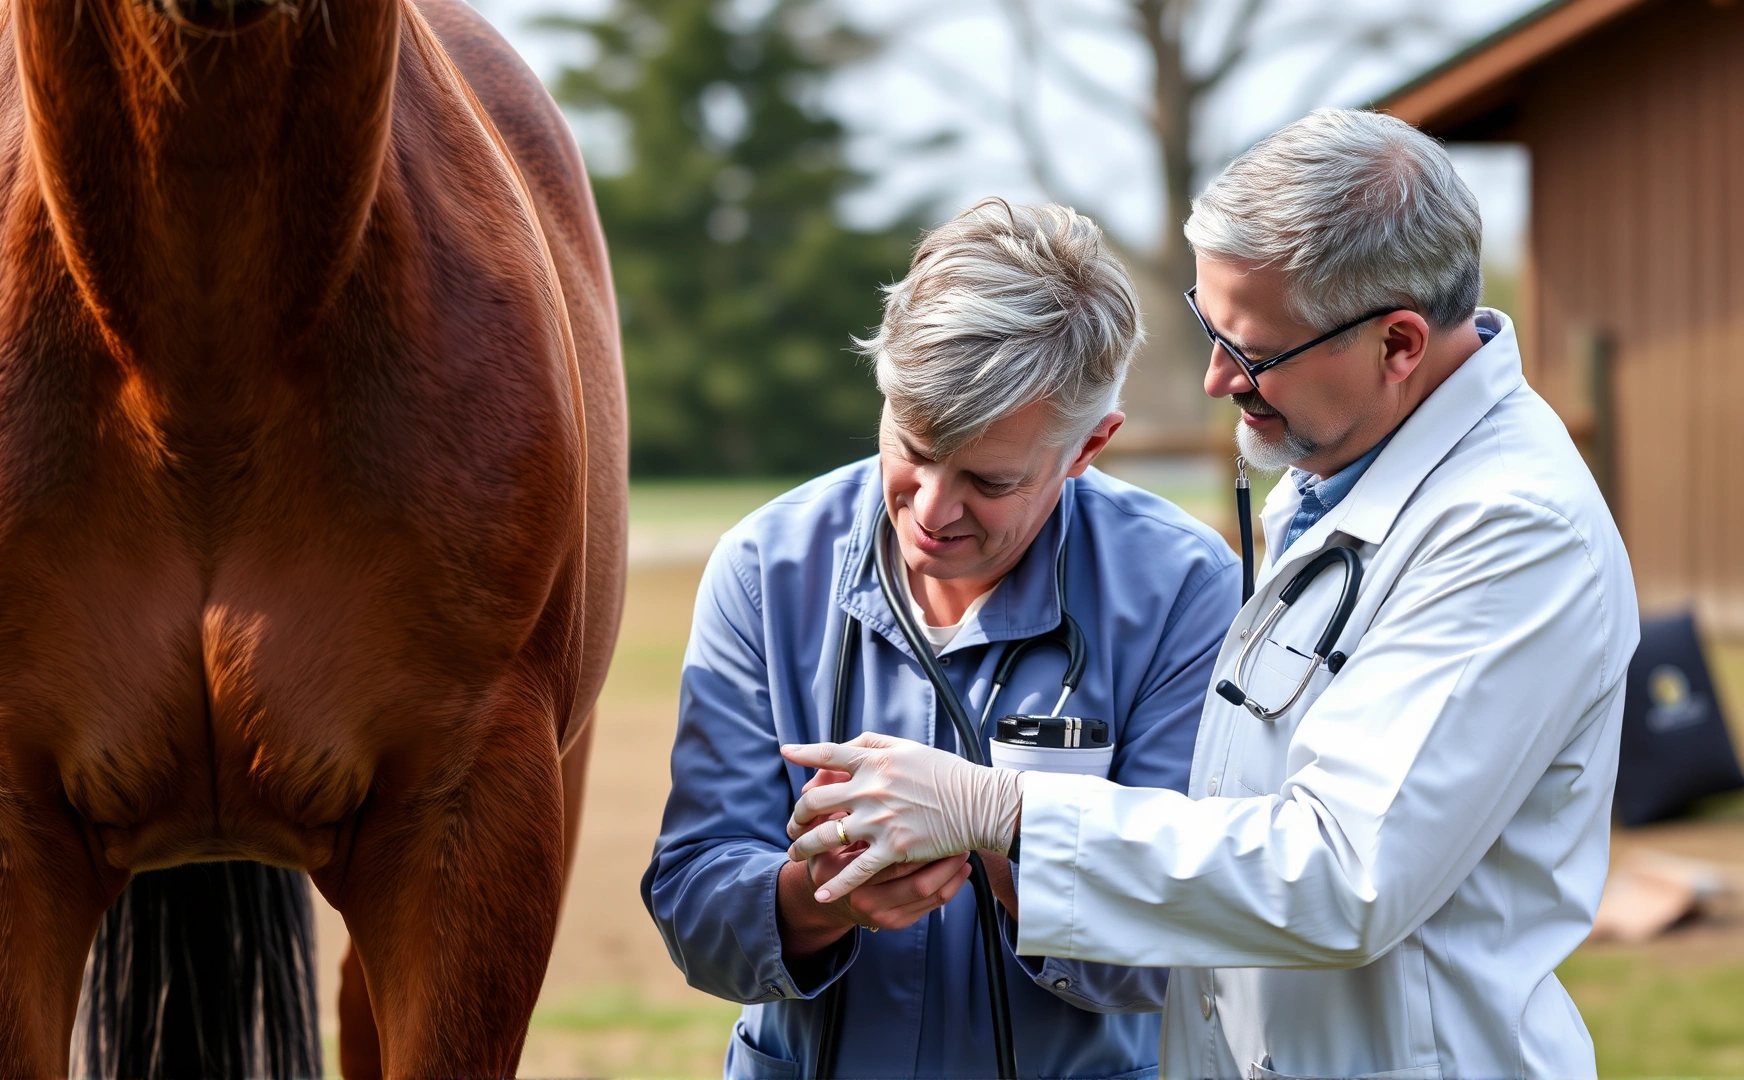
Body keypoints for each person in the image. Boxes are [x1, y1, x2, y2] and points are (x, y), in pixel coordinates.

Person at [783, 108, 1640, 1079]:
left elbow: (1343, 874)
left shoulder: (1512, 533)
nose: (1216, 377)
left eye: (1255, 351)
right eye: (1209, 324)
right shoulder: (1334, 484)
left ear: (1398, 344)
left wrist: (1002, 809)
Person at [641, 199, 1242, 1079]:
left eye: (989, 480)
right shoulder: (764, 566)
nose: (930, 510)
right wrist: (814, 897)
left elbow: (1186, 945)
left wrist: (1002, 835)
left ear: (1090, 448)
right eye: (913, 447)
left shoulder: (1186, 587)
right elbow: (693, 905)